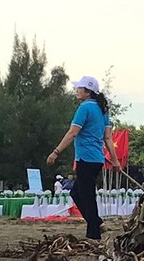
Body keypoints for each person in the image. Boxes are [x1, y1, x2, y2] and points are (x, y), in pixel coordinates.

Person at [47, 75, 109, 239]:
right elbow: (107, 137)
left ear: (87, 91)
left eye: (79, 88)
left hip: (85, 158)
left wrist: (56, 151)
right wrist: (115, 160)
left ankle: (94, 233)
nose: (76, 90)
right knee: (77, 192)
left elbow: (73, 132)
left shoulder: (85, 108)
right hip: (97, 159)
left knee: (87, 196)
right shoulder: (102, 109)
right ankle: (97, 222)